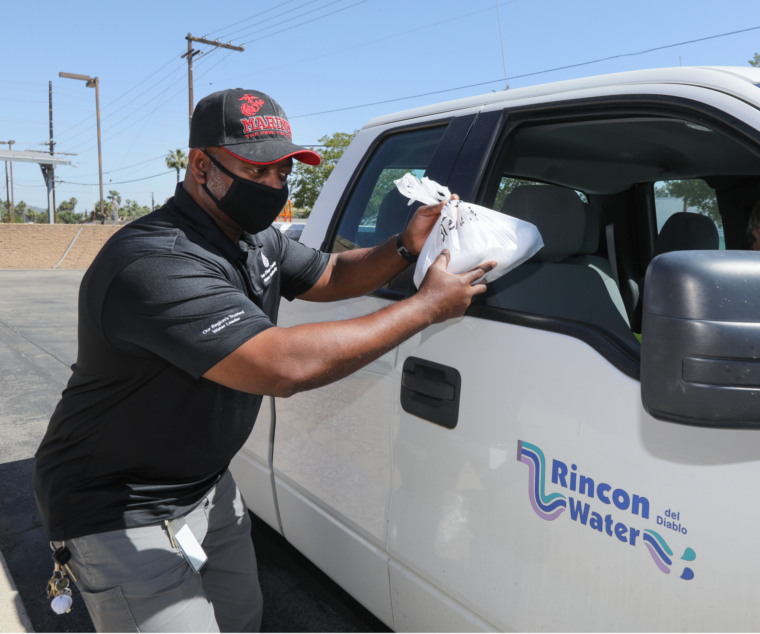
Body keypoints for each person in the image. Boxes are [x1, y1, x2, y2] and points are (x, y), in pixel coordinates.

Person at [32, 88, 495, 633]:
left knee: (241, 618)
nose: (276, 185)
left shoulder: (253, 239)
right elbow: (280, 366)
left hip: (205, 484)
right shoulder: (155, 262)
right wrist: (425, 308)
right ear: (201, 165)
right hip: (117, 506)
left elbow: (330, 274)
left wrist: (403, 247)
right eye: (259, 170)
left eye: (284, 171)